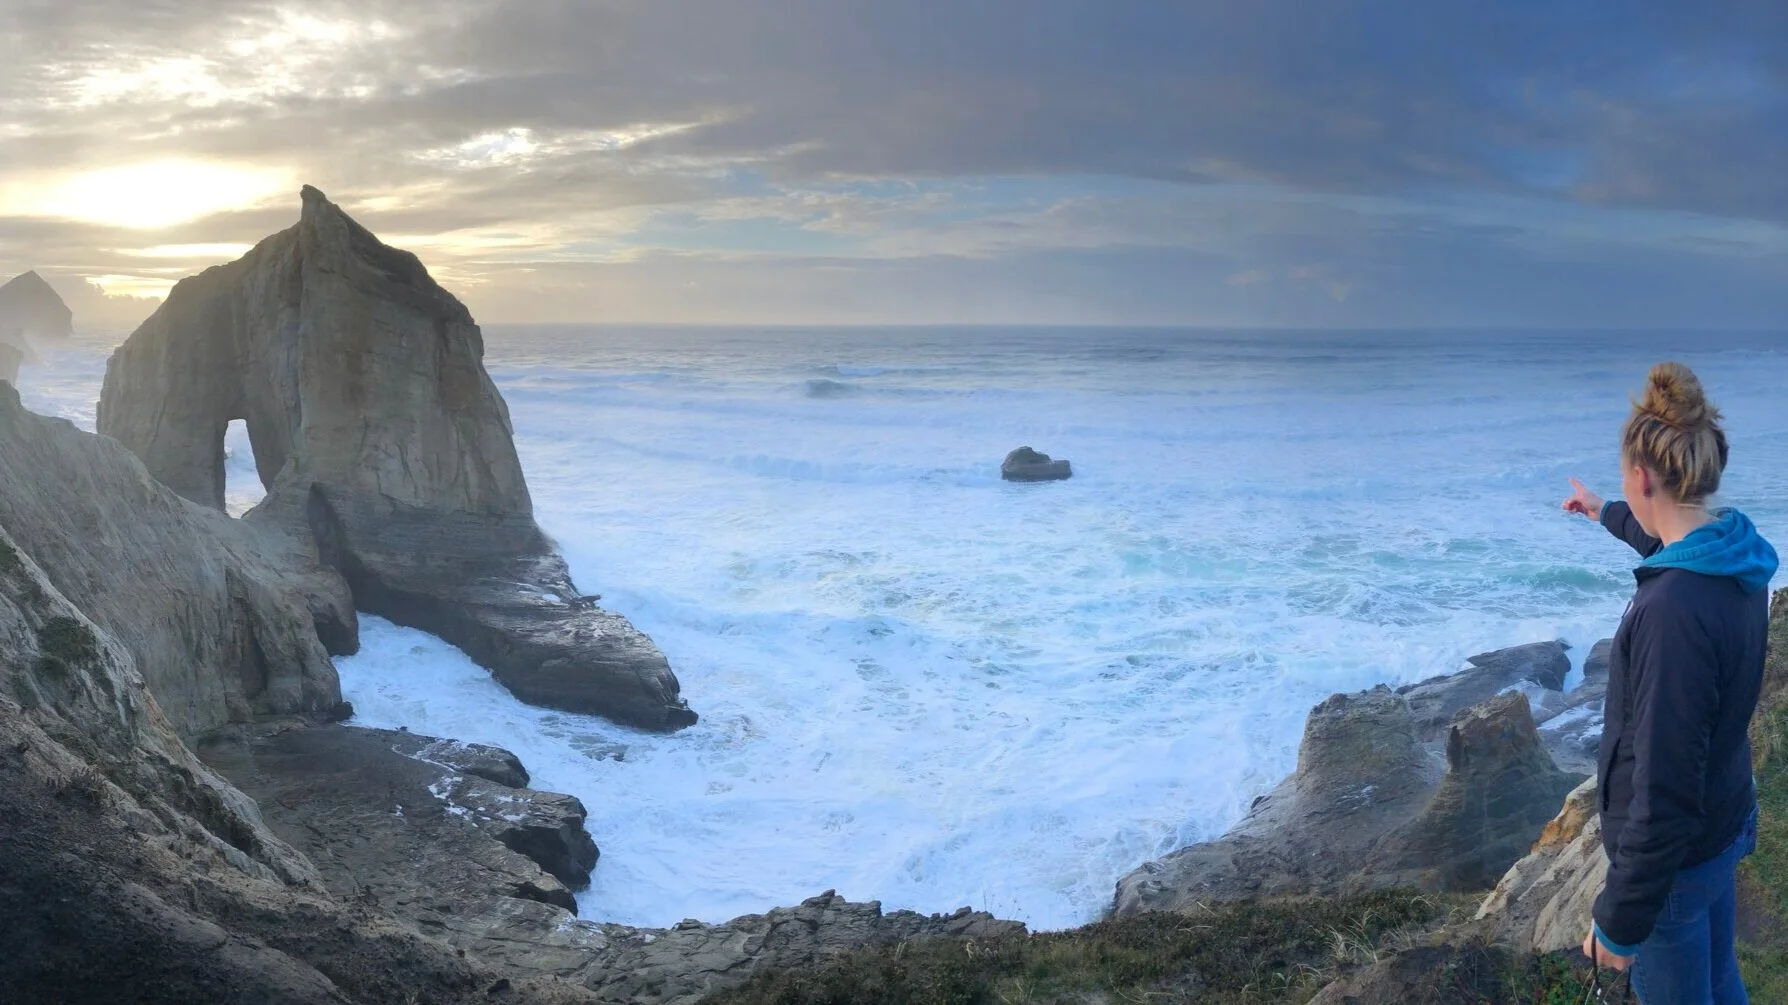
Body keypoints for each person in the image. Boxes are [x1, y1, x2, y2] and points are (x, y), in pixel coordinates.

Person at [1561, 361, 1777, 1004]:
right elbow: (1665, 542)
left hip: (1676, 862)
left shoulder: (1671, 613)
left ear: (1644, 476)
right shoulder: (1733, 554)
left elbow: (1664, 784)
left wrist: (1621, 924)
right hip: (1723, 819)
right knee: (1718, 980)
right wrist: (1605, 512)